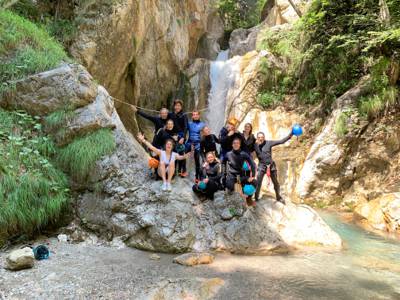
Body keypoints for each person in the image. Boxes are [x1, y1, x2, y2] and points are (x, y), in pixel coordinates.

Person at [254, 131, 293, 204]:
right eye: (259, 137)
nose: (260, 139)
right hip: (261, 166)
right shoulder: (255, 145)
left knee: (276, 183)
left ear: (264, 137)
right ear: (257, 138)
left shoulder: (268, 143)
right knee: (258, 182)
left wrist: (290, 135)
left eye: (262, 137)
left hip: (271, 166)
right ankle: (256, 198)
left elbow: (281, 141)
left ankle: (278, 197)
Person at [225, 137, 257, 205]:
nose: (236, 144)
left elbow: (252, 164)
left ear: (239, 145)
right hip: (232, 176)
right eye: (234, 143)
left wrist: (253, 176)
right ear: (232, 145)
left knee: (254, 182)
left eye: (237, 143)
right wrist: (223, 174)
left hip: (241, 176)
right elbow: (222, 163)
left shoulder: (243, 154)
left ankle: (249, 198)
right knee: (229, 186)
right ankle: (241, 195)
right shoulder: (228, 154)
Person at [170, 99, 189, 177]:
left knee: (181, 153)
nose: (177, 107)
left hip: (181, 136)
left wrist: (183, 138)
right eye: (176, 105)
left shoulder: (184, 115)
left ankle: (182, 171)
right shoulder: (171, 114)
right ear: (174, 106)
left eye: (179, 105)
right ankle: (173, 171)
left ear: (181, 107)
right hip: (174, 136)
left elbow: (185, 127)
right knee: (174, 153)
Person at [186, 110, 206, 181]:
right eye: (194, 114)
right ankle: (182, 171)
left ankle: (197, 177)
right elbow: (183, 129)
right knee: (182, 153)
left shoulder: (202, 124)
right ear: (192, 116)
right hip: (189, 142)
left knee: (197, 160)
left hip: (198, 144)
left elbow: (205, 135)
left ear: (199, 115)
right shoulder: (189, 123)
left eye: (196, 114)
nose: (195, 116)